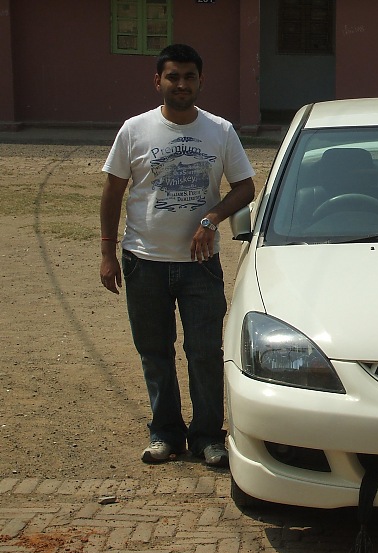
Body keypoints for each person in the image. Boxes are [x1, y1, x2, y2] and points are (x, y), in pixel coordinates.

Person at [99, 44, 256, 467]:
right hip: (143, 260)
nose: (181, 84)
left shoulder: (220, 131)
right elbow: (113, 190)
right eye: (173, 76)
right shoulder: (135, 130)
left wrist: (213, 218)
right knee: (155, 351)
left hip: (200, 267)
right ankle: (164, 433)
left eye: (189, 76)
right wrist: (107, 253)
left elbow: (245, 186)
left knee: (204, 352)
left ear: (201, 81)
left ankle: (208, 436)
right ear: (158, 81)